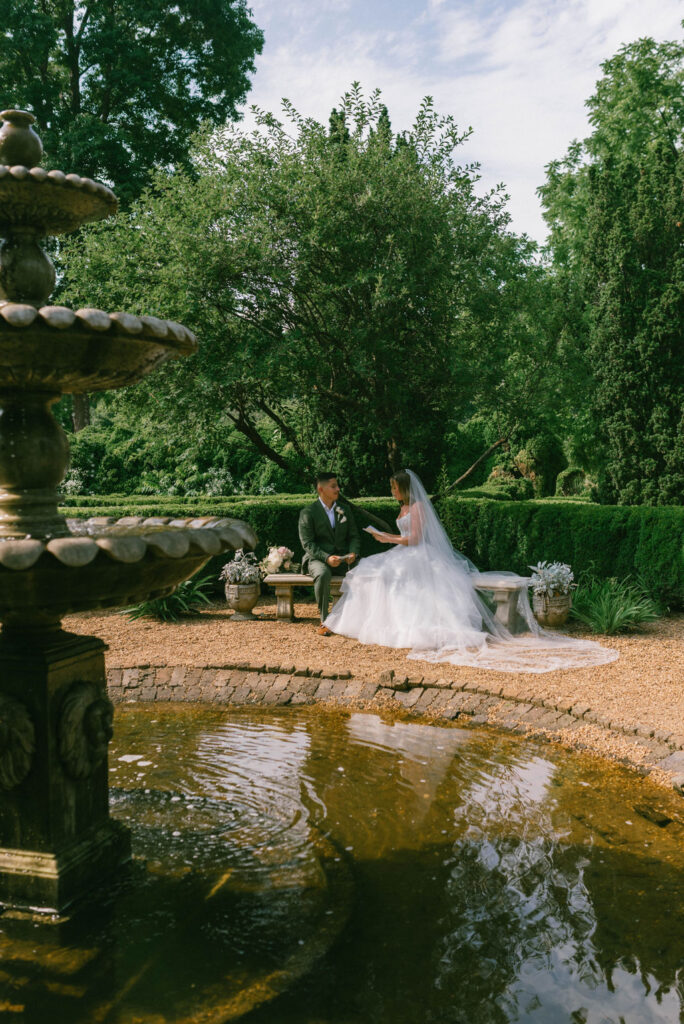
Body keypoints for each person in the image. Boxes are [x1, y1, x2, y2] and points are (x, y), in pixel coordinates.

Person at [324, 469, 618, 673]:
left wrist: (386, 538)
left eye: (394, 487)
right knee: (372, 573)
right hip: (404, 554)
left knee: (400, 578)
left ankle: (409, 629)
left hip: (417, 555)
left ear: (403, 487)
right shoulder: (403, 508)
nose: (392, 491)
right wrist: (389, 540)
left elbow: (414, 539)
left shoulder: (418, 508)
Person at [299, 472, 362, 636]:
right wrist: (326, 558)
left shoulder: (344, 510)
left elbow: (354, 536)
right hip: (318, 559)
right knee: (322, 574)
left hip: (343, 557)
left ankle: (359, 618)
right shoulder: (308, 512)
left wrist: (353, 552)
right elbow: (307, 543)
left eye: (337, 485)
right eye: (333, 486)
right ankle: (325, 620)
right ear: (321, 489)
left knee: (365, 569)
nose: (338, 489)